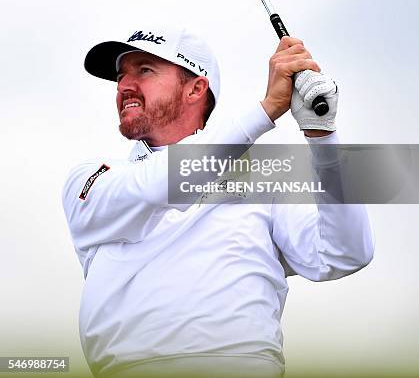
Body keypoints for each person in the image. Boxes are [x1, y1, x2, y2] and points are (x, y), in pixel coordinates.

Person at [62, 24, 374, 378]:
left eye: (144, 70)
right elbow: (161, 184)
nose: (124, 86)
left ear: (196, 88)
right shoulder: (93, 178)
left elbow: (345, 252)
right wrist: (267, 109)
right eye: (121, 76)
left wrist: (324, 137)